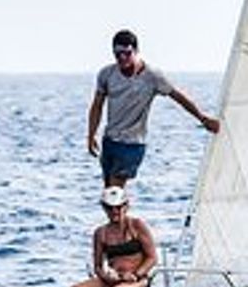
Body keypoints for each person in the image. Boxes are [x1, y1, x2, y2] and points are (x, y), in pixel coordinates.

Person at [87, 29, 220, 189]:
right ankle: (125, 215)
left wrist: (203, 118)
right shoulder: (106, 74)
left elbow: (178, 96)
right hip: (110, 141)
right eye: (118, 54)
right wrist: (91, 134)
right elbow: (97, 105)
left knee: (114, 193)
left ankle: (123, 214)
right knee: (109, 197)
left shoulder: (152, 76)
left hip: (132, 145)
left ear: (136, 51)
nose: (122, 58)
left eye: (127, 53)